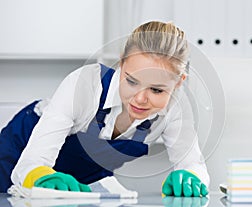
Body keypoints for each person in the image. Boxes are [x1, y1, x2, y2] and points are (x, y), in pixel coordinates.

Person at [0, 21, 209, 197]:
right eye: (132, 81)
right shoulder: (83, 85)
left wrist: (191, 176)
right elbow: (29, 163)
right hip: (21, 146)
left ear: (179, 82)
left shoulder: (177, 107)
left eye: (156, 90)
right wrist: (39, 175)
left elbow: (194, 164)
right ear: (122, 62)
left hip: (84, 177)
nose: (140, 99)